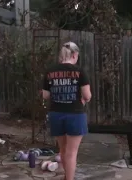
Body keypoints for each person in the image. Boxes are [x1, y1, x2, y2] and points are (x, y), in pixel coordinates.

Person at [42, 42, 92, 180]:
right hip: (75, 114)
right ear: (75, 55)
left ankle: (66, 177)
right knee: (72, 152)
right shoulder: (80, 72)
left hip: (56, 114)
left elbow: (46, 95)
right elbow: (87, 96)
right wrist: (82, 101)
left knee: (63, 149)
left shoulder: (50, 71)